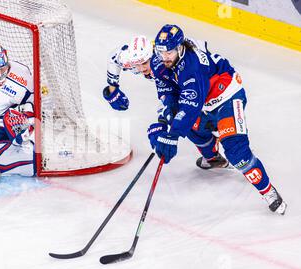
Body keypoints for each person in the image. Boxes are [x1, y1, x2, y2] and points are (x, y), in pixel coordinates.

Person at [103, 28, 286, 215]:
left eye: (144, 64)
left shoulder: (191, 67)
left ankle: (268, 191)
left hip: (226, 96)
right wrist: (112, 87)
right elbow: (117, 58)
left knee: (237, 152)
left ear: (180, 48)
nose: (141, 70)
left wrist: (172, 134)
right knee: (191, 127)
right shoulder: (155, 55)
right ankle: (214, 158)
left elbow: (190, 106)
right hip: (201, 100)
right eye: (161, 53)